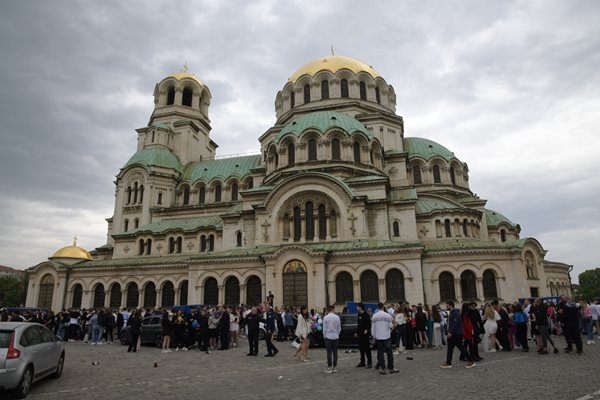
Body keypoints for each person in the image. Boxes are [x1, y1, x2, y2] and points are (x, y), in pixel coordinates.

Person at [440, 302, 475, 369]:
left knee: (461, 347)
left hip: (457, 334)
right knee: (450, 348)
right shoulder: (451, 313)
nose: (446, 307)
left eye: (447, 305)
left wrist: (450, 332)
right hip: (453, 334)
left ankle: (471, 360)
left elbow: (455, 323)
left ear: (451, 305)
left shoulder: (456, 313)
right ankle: (448, 362)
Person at [371, 303, 399, 375]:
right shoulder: (387, 315)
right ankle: (391, 367)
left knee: (380, 353)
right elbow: (392, 324)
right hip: (386, 336)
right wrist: (391, 330)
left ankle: (382, 368)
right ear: (383, 307)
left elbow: (373, 328)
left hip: (379, 337)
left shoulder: (374, 316)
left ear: (378, 307)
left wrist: (374, 336)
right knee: (389, 352)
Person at [323, 305, 341, 373]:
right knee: (335, 352)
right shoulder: (337, 317)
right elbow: (339, 328)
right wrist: (337, 334)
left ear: (328, 310)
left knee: (329, 352)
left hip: (328, 336)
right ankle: (334, 367)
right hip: (335, 336)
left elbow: (324, 329)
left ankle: (329, 367)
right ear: (333, 309)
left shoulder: (325, 318)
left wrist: (324, 336)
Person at [355, 302, 373, 367]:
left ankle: (369, 362)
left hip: (365, 335)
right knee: (361, 349)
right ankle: (362, 362)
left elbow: (369, 324)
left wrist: (367, 330)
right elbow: (359, 325)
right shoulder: (359, 315)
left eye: (357, 306)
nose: (356, 308)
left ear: (360, 307)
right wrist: (356, 332)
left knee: (367, 348)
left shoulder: (366, 315)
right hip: (360, 334)